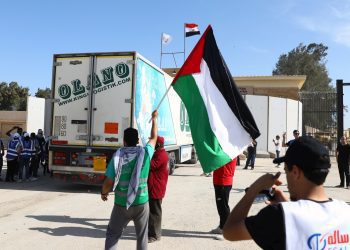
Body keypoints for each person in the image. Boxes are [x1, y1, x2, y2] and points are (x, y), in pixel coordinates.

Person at [223, 136, 350, 250]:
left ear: (295, 172)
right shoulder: (345, 211)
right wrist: (288, 205)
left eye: (286, 171)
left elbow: (229, 231)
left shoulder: (279, 216)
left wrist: (254, 189)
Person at [101, 110, 158, 250]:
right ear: (138, 141)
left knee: (113, 234)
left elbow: (109, 182)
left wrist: (104, 193)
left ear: (124, 141)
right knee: (142, 236)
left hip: (121, 205)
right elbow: (154, 137)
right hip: (141, 202)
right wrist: (155, 119)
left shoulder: (117, 157)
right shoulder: (145, 154)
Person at [147, 136, 169, 243]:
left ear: (158, 145)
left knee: (155, 212)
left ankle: (154, 235)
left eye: (153, 143)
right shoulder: (159, 154)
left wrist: (146, 153)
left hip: (156, 188)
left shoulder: (161, 155)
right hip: (155, 187)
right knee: (152, 211)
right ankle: (152, 232)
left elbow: (149, 165)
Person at [210, 158, 237, 239]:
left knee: (223, 207)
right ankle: (221, 227)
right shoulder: (226, 149)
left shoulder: (230, 151)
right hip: (219, 180)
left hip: (223, 181)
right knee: (221, 206)